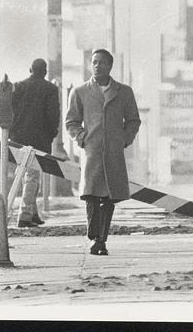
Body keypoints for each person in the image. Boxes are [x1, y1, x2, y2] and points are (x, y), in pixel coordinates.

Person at [65, 49, 141, 255]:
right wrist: (82, 138)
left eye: (101, 62)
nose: (97, 66)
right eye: (94, 62)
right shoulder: (80, 92)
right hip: (92, 151)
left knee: (108, 196)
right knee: (90, 194)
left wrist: (124, 140)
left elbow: (133, 120)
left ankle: (101, 240)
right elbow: (71, 121)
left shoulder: (124, 92)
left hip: (114, 153)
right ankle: (93, 234)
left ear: (110, 66)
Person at [9, 58, 60, 228]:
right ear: (45, 72)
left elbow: (10, 111)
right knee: (32, 174)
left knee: (26, 174)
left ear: (30, 69)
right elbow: (54, 115)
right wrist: (52, 135)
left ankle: (33, 213)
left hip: (18, 137)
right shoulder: (50, 89)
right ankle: (24, 215)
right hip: (39, 137)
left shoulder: (18, 86)